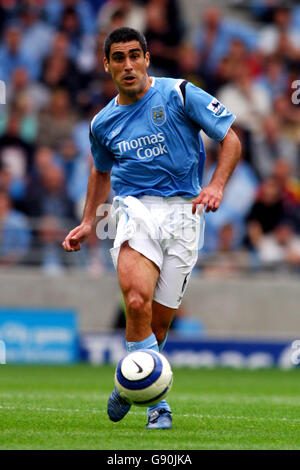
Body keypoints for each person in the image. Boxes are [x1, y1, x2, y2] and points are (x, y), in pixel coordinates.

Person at [62, 27, 241, 429]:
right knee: (137, 303)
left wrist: (215, 185)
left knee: (156, 326)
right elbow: (100, 170)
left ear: (146, 58)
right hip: (134, 209)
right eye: (118, 58)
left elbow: (231, 140)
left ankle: (128, 384)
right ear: (106, 65)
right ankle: (158, 406)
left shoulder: (179, 93)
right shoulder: (102, 123)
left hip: (185, 213)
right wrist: (89, 220)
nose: (128, 65)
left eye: (134, 56)